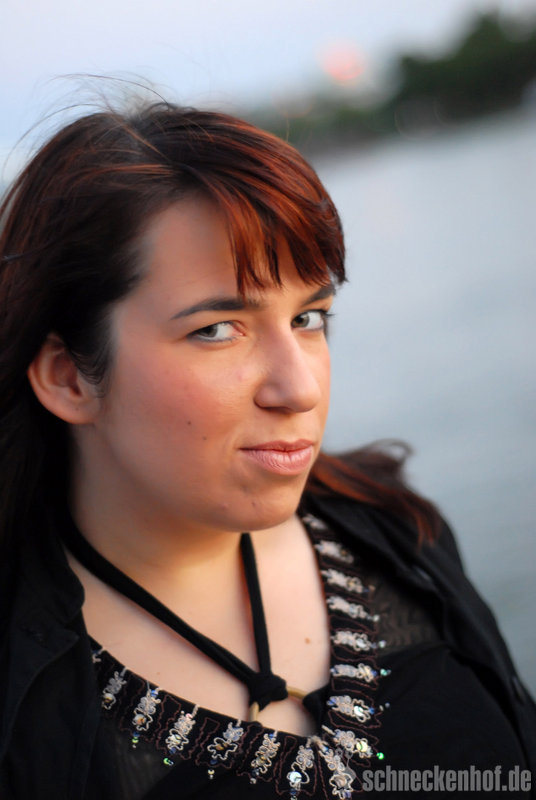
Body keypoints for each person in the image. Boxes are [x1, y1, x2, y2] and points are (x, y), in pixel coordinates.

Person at [0, 100, 534, 800]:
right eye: (218, 330)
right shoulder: (24, 708)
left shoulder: (398, 536)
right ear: (68, 376)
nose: (299, 388)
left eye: (309, 318)